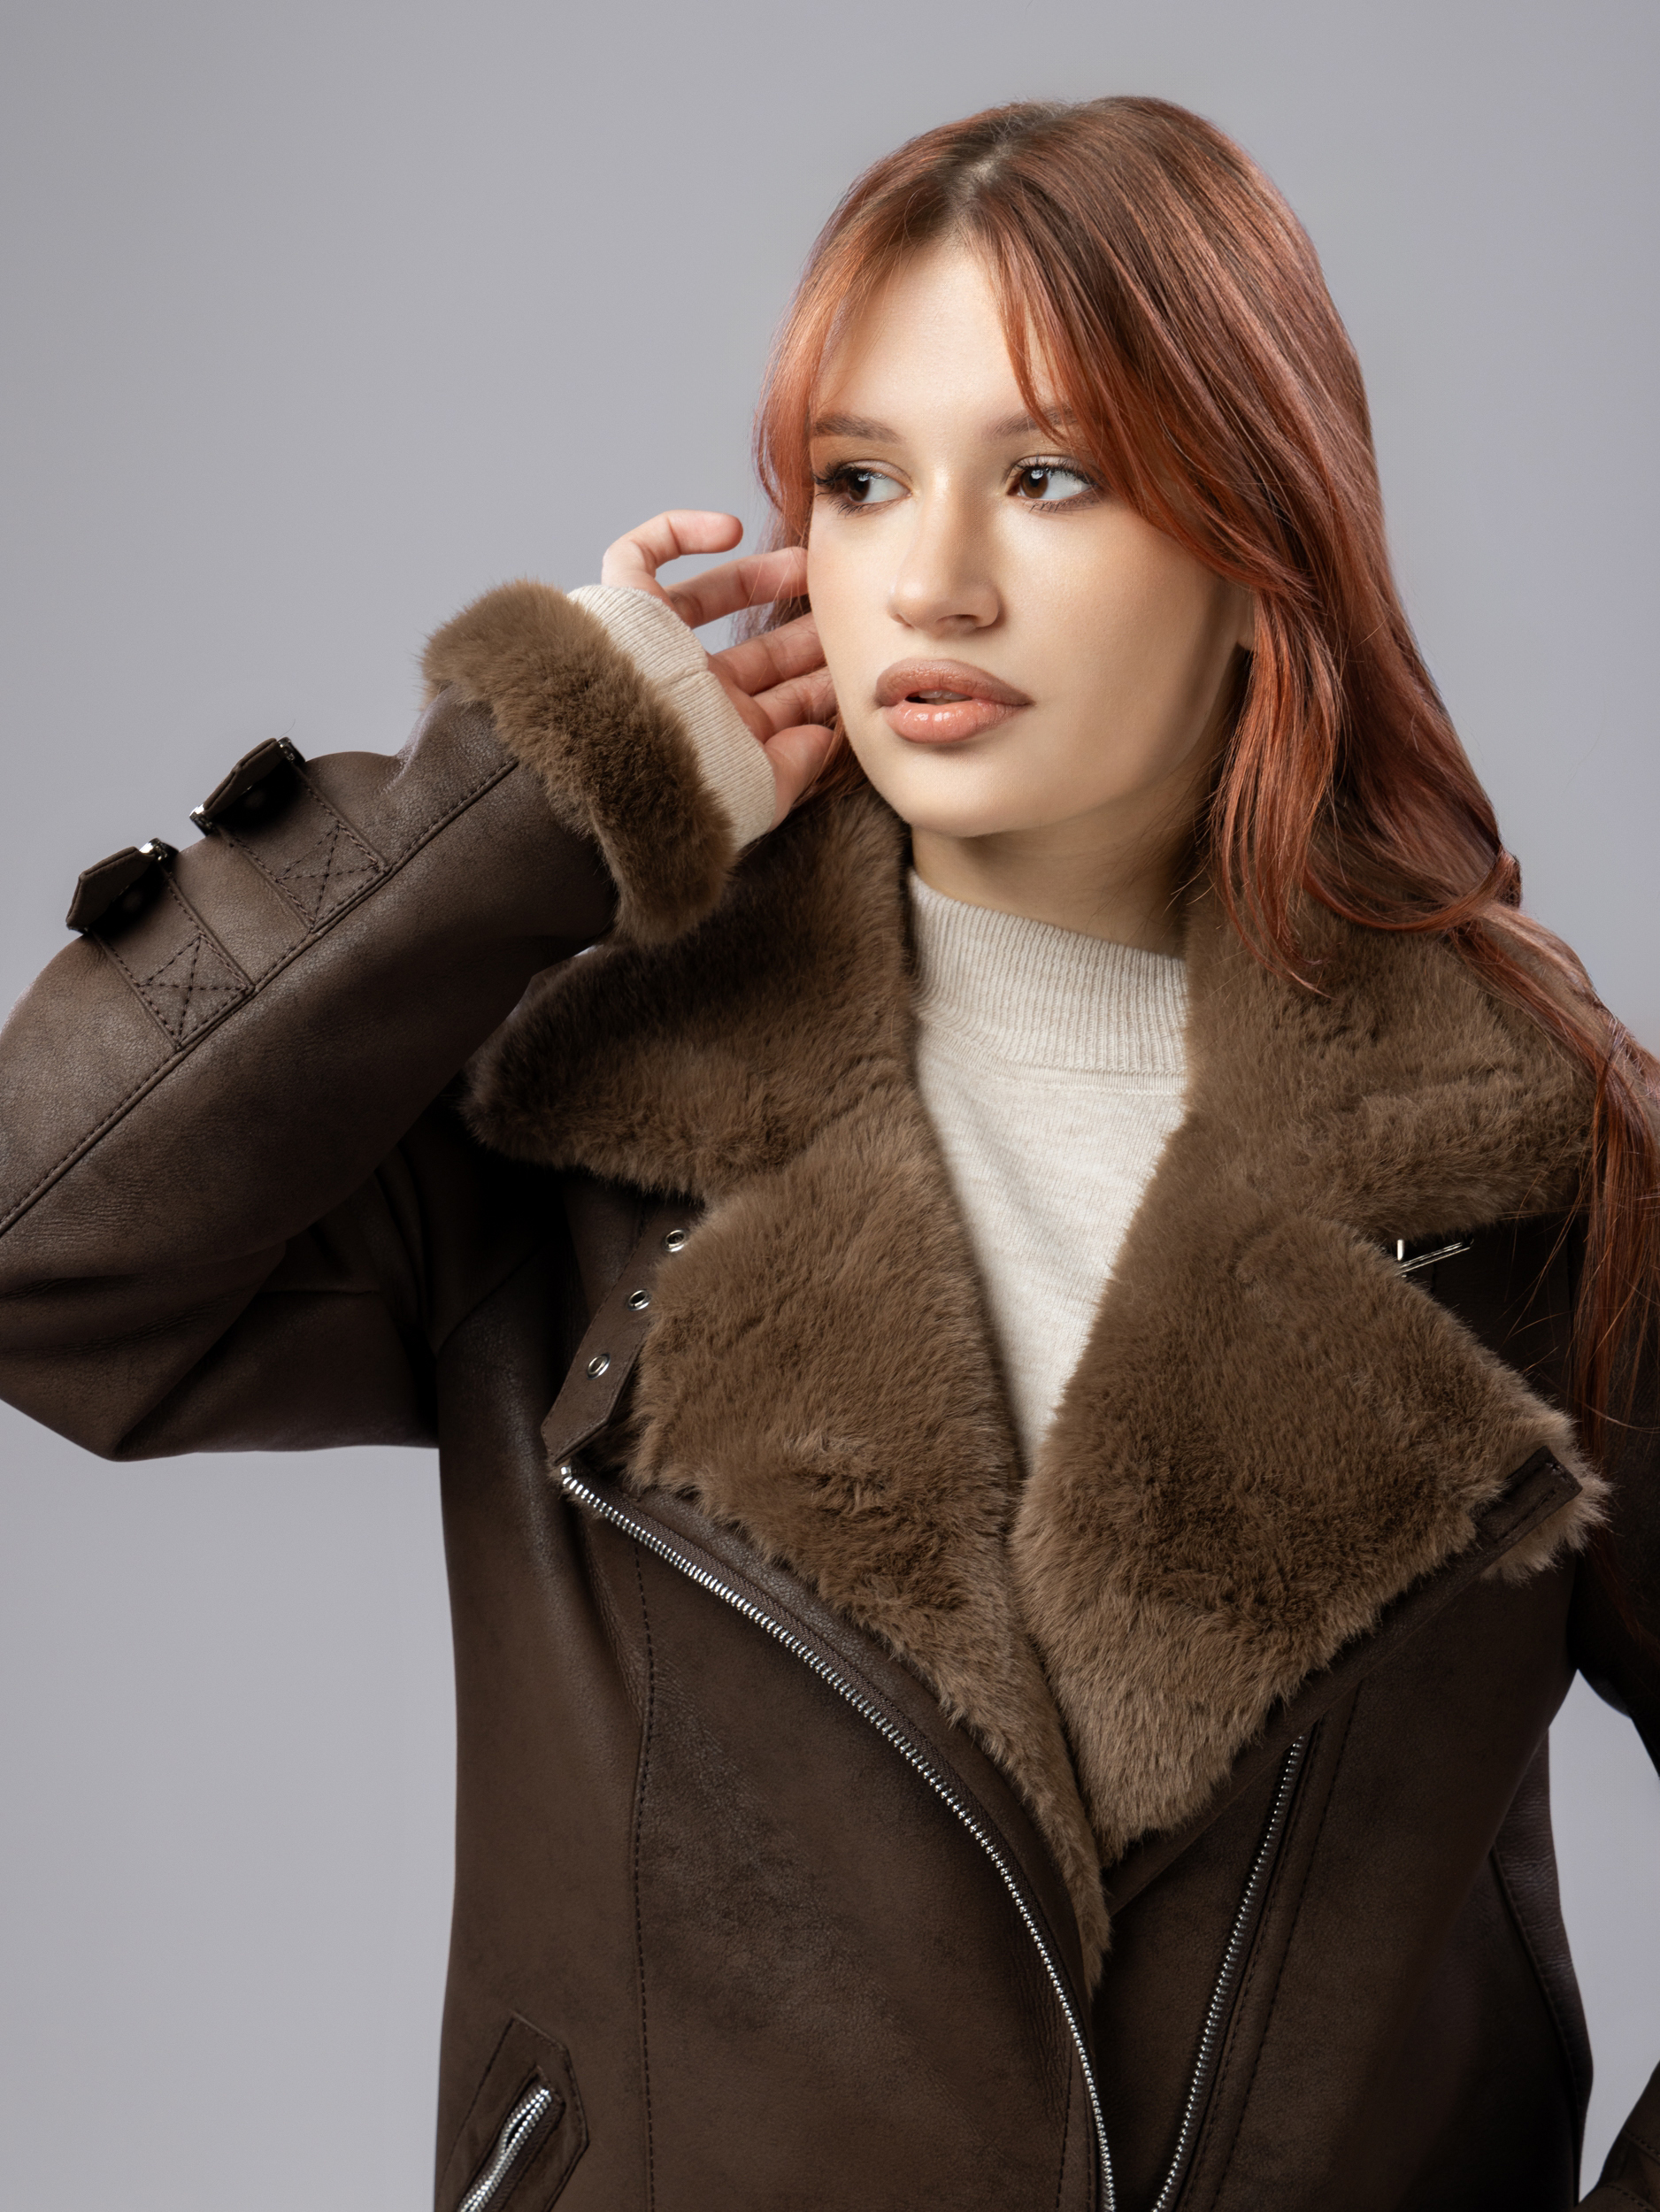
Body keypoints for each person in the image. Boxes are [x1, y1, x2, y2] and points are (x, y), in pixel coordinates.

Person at [0, 92, 1655, 2212]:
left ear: (1261, 554)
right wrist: (517, 810)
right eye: (861, 482)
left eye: (1046, 478)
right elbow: (46, 1257)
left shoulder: (1529, 1168)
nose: (932, 580)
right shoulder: (582, 1104)